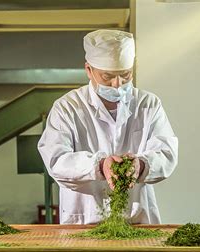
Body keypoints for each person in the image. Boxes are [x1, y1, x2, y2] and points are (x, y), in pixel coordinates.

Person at [37, 29, 178, 225]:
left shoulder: (148, 104)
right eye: (107, 77)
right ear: (89, 70)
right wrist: (100, 166)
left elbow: (167, 153)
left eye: (125, 75)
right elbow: (56, 160)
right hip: (84, 219)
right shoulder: (67, 108)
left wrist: (142, 165)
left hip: (137, 219)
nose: (117, 84)